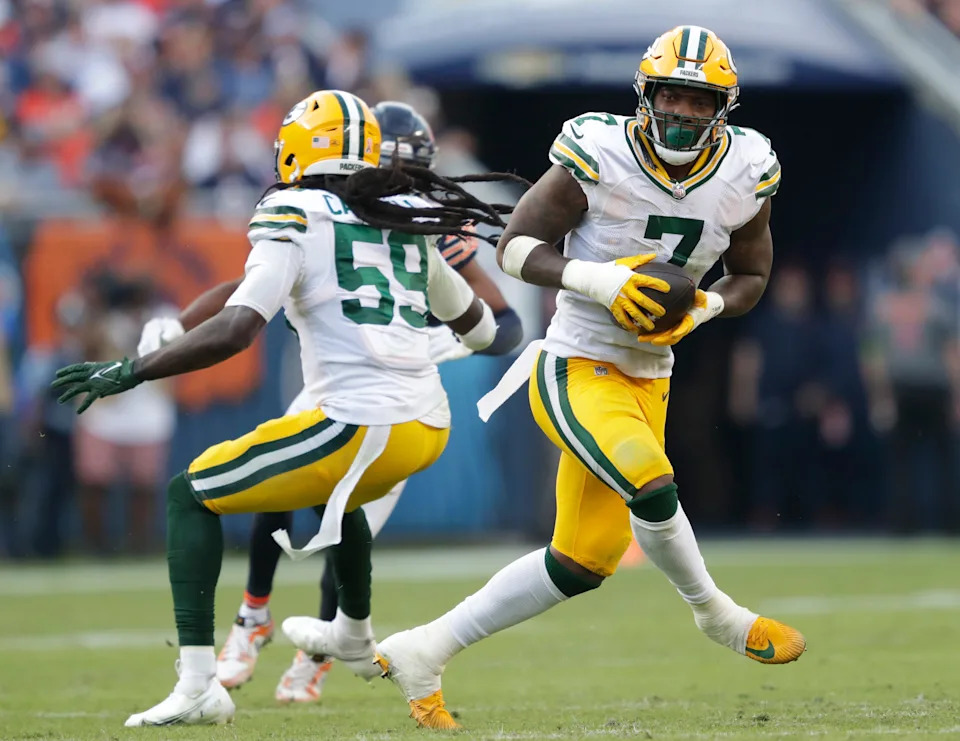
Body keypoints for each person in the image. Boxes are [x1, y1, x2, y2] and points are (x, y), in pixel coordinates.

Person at [349, 27, 805, 729]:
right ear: (645, 97)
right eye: (670, 96)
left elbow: (750, 274)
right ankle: (718, 615)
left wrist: (702, 307)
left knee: (581, 560)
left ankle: (424, 647)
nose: (682, 112)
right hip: (576, 363)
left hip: (649, 373)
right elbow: (516, 247)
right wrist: (598, 279)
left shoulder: (748, 167)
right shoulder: (601, 149)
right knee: (650, 479)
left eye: (698, 100)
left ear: (724, 107)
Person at [52, 89, 525, 727]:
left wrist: (130, 372)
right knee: (340, 492)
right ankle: (350, 632)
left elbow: (238, 328)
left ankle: (198, 683)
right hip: (426, 424)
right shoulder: (410, 221)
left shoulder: (295, 209)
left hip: (361, 421)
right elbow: (482, 332)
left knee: (187, 495)